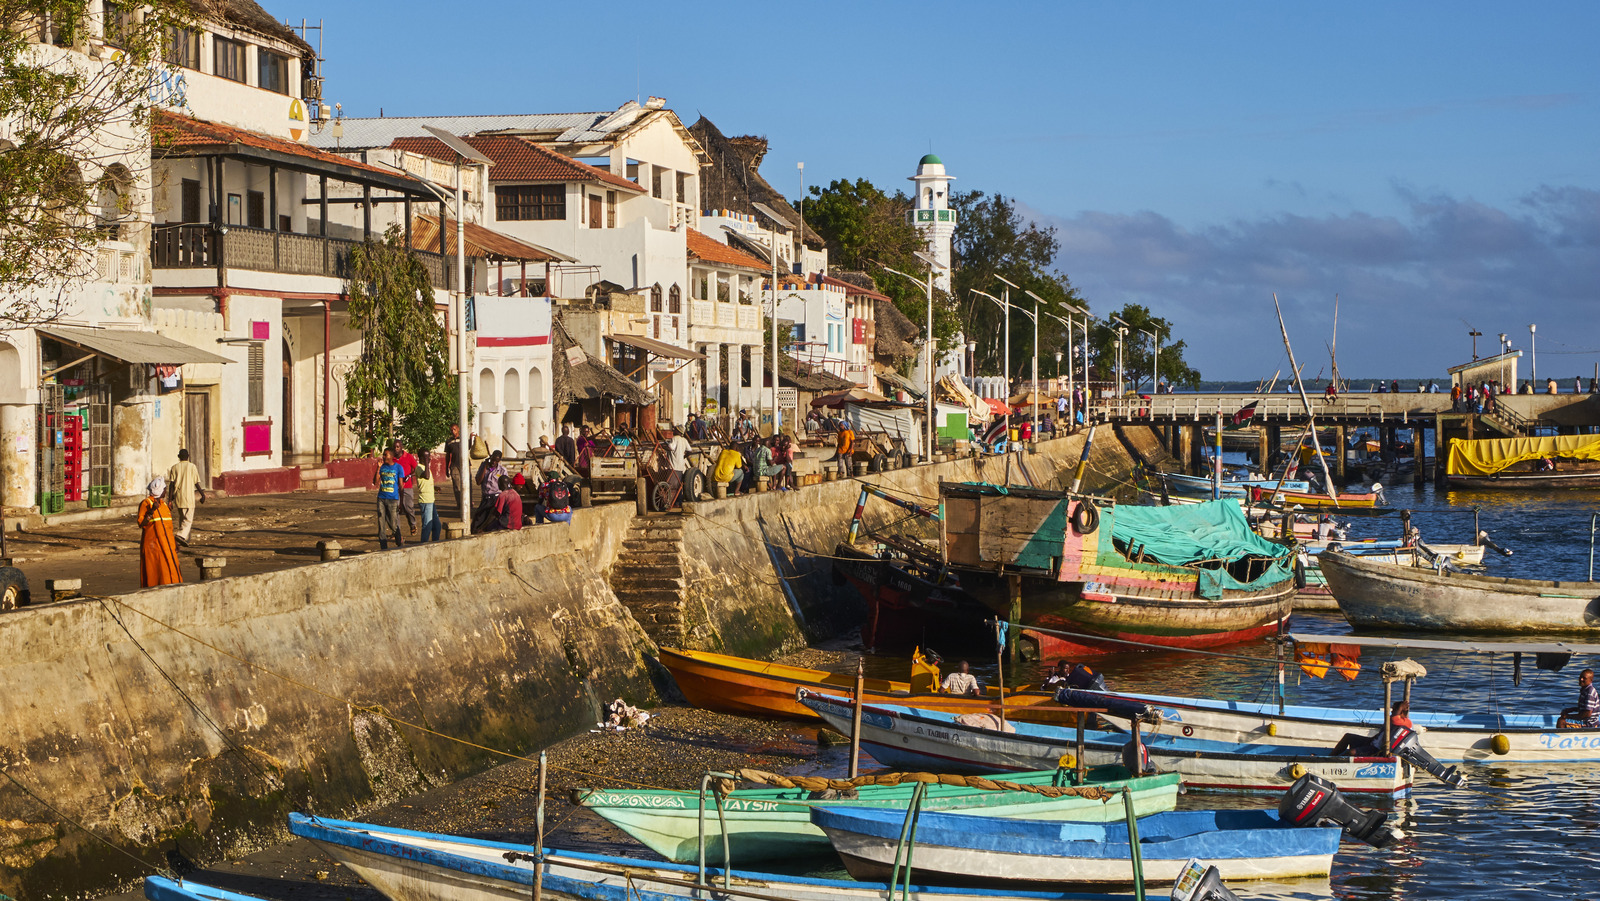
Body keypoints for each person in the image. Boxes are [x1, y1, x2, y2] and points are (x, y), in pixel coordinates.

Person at [138, 477, 183, 587]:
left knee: (172, 571)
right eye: (165, 489)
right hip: (154, 547)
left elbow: (168, 527)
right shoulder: (146, 503)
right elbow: (141, 524)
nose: (166, 491)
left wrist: (174, 542)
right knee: (156, 573)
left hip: (168, 545)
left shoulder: (164, 505)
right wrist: (152, 511)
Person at [1332, 700, 1413, 756]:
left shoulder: (1406, 722)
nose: (1392, 711)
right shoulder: (1392, 720)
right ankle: (1331, 757)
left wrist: (1400, 707)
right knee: (1348, 737)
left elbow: (1394, 719)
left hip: (1377, 749)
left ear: (1400, 712)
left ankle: (1338, 761)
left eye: (1394, 710)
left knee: (1352, 752)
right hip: (1373, 742)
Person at [164, 448, 205, 546]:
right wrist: (202, 494)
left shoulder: (174, 467)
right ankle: (181, 535)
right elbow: (196, 483)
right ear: (188, 456)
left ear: (179, 457)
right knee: (188, 519)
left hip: (179, 496)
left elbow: (171, 485)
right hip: (189, 497)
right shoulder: (192, 467)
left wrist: (170, 500)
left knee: (182, 519)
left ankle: (184, 539)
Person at [372, 449, 405, 550]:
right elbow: (375, 481)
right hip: (381, 498)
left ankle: (399, 541)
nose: (383, 456)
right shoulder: (382, 467)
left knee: (393, 523)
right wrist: (378, 468)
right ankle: (383, 547)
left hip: (393, 499)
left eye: (385, 455)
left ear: (391, 456)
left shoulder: (398, 468)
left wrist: (401, 502)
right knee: (381, 523)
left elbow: (401, 485)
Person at [393, 439, 419, 536]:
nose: (396, 449)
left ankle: (412, 524)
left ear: (401, 447)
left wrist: (409, 475)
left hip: (407, 487)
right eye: (394, 447)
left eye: (398, 447)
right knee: (395, 509)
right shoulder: (392, 459)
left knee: (408, 507)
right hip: (395, 488)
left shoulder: (408, 457)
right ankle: (397, 531)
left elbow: (416, 468)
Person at [415, 451, 441, 542]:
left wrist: (434, 487)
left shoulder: (426, 468)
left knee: (437, 526)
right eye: (427, 457)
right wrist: (426, 462)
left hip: (431, 500)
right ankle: (423, 544)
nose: (429, 459)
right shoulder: (419, 468)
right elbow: (426, 476)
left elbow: (426, 482)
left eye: (429, 457)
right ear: (421, 458)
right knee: (427, 526)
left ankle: (435, 543)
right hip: (425, 501)